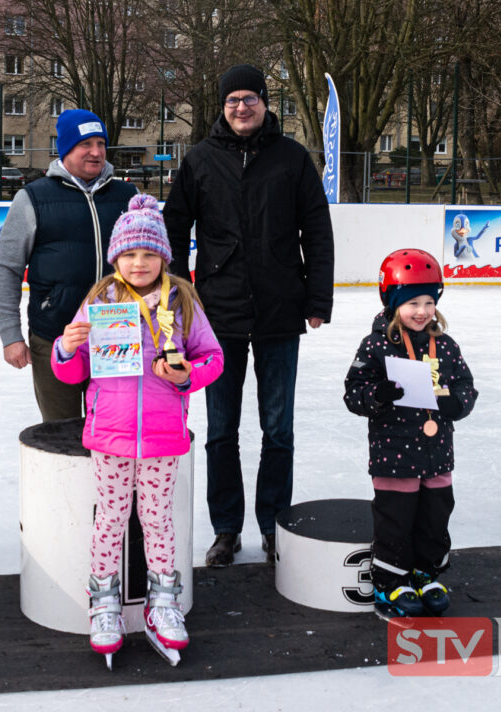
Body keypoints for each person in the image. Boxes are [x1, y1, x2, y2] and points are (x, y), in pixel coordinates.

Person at [163, 63, 335, 567]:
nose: (242, 107)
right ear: (223, 106)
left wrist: (317, 299)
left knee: (278, 429)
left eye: (251, 98)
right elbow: (174, 227)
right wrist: (181, 292)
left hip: (281, 311)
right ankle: (225, 529)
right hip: (216, 317)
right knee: (221, 429)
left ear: (265, 102)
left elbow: (317, 232)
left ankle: (274, 524)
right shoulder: (199, 160)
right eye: (233, 99)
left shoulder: (292, 159)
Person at [50, 194, 224, 664]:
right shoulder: (101, 300)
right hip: (110, 433)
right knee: (109, 517)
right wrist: (66, 349)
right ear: (115, 258)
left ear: (164, 256)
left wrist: (187, 374)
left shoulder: (182, 300)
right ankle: (103, 601)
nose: (139, 262)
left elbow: (213, 358)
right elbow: (71, 372)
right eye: (129, 254)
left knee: (157, 518)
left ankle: (163, 599)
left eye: (149, 254)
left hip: (164, 435)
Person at [343, 249, 477, 620]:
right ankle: (391, 581)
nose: (421, 311)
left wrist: (457, 404)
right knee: (396, 520)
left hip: (436, 454)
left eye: (429, 302)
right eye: (412, 303)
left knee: (435, 517)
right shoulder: (376, 345)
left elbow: (466, 386)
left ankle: (425, 574)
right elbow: (353, 393)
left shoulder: (446, 346)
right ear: (393, 303)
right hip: (394, 454)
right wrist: (377, 395)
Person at [0, 109, 138, 422]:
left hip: (118, 339)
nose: (97, 152)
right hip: (54, 336)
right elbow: (7, 268)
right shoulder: (33, 198)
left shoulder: (128, 196)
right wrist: (11, 336)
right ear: (66, 148)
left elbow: (153, 264)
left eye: (101, 143)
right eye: (86, 144)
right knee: (61, 435)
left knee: (116, 430)